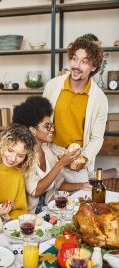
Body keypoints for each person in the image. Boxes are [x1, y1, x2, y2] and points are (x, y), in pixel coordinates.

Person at [43, 37, 108, 183]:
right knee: (48, 202)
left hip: (77, 159)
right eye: (74, 59)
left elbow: (97, 138)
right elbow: (42, 122)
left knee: (77, 202)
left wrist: (83, 158)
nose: (76, 65)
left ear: (93, 67)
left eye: (84, 62)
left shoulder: (100, 99)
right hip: (51, 155)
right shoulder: (52, 86)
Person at [13, 96, 91, 214]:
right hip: (33, 214)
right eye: (47, 126)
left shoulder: (46, 150)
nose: (52, 129)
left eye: (52, 125)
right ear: (32, 130)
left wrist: (81, 185)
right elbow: (36, 191)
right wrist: (60, 164)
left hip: (49, 208)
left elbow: (58, 184)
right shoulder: (25, 155)